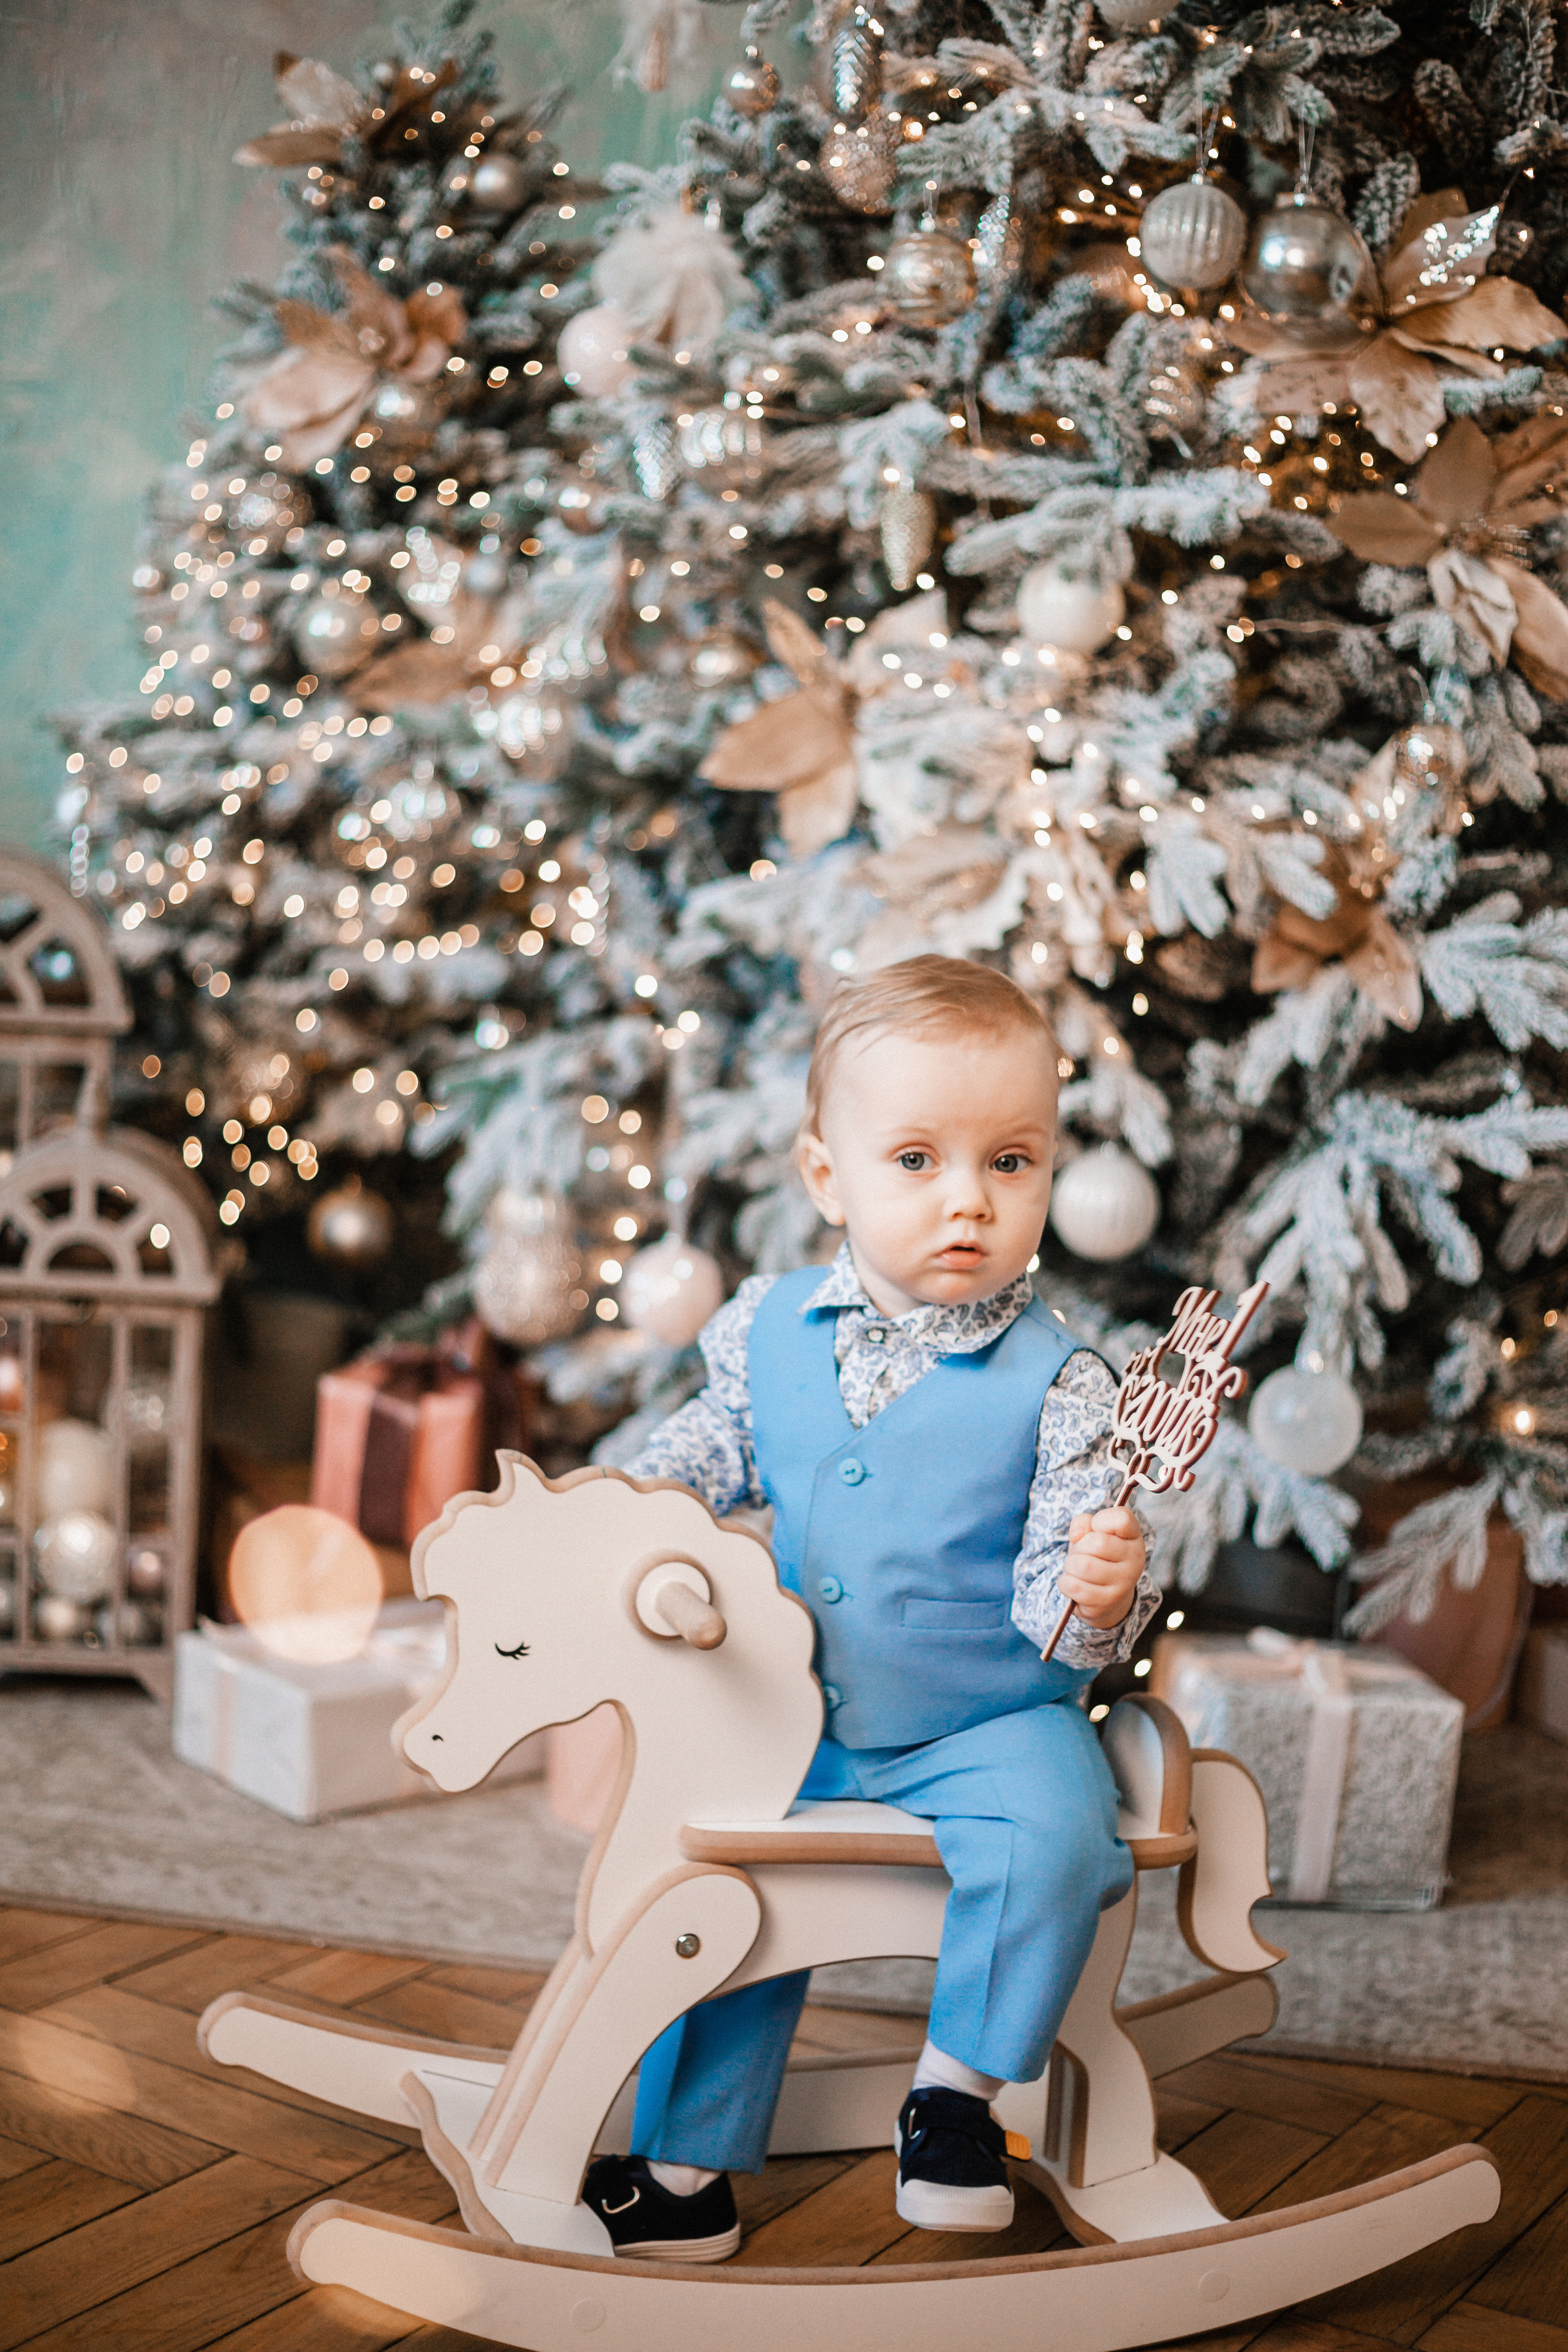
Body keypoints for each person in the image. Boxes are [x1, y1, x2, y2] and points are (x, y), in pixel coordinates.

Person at [583, 956, 1160, 2260]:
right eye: (915, 1159)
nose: (966, 1199)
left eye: (1009, 1162)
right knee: (714, 1875)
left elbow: (1059, 1609)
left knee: (1056, 1834)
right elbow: (701, 1455)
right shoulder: (765, 1326)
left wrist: (1095, 1592)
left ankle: (957, 2095)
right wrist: (628, 1521)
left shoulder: (1063, 1379)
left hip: (982, 1714)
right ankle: (685, 2170)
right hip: (790, 1706)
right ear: (826, 1177)